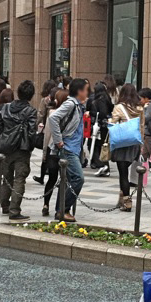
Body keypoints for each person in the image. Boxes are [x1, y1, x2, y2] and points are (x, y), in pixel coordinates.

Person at [48, 78, 89, 222]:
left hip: (74, 147)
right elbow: (53, 118)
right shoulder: (71, 104)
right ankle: (63, 209)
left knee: (67, 180)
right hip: (68, 148)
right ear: (79, 91)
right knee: (78, 178)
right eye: (86, 89)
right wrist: (58, 141)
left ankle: (61, 210)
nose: (87, 92)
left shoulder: (78, 105)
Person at [0, 80, 38, 221]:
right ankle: (14, 210)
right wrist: (30, 146)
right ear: (31, 95)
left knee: (6, 178)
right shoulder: (31, 111)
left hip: (6, 147)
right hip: (21, 148)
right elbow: (32, 132)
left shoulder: (6, 108)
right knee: (19, 179)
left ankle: (4, 205)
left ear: (18, 93)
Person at [110, 84, 145, 212]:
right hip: (134, 142)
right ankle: (122, 199)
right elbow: (142, 126)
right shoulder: (140, 108)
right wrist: (141, 143)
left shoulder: (118, 107)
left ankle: (126, 201)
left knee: (123, 173)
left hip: (122, 143)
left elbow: (113, 123)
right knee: (127, 170)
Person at [40, 89, 69, 216]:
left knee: (52, 179)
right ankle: (61, 207)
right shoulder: (69, 114)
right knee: (64, 180)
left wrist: (44, 153)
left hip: (52, 150)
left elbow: (47, 136)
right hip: (64, 150)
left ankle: (46, 204)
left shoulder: (51, 114)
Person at [33, 80, 58, 184]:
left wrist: (36, 125)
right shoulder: (59, 99)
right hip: (57, 130)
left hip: (47, 128)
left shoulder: (45, 100)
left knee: (46, 152)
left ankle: (42, 176)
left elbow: (41, 114)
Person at [89, 82, 114, 177]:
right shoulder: (107, 98)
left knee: (98, 146)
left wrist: (92, 113)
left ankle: (102, 165)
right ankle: (105, 166)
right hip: (105, 125)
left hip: (100, 126)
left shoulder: (100, 100)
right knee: (103, 146)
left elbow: (102, 113)